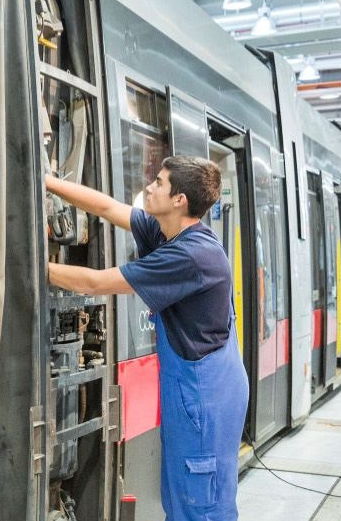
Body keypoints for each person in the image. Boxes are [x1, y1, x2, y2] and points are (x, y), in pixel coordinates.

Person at [44, 156, 247, 521]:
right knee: (180, 496)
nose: (149, 188)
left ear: (179, 200)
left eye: (159, 183)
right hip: (194, 388)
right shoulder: (169, 230)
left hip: (204, 397)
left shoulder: (190, 255)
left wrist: (28, 264)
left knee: (200, 505)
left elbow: (95, 283)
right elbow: (107, 208)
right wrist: (45, 181)